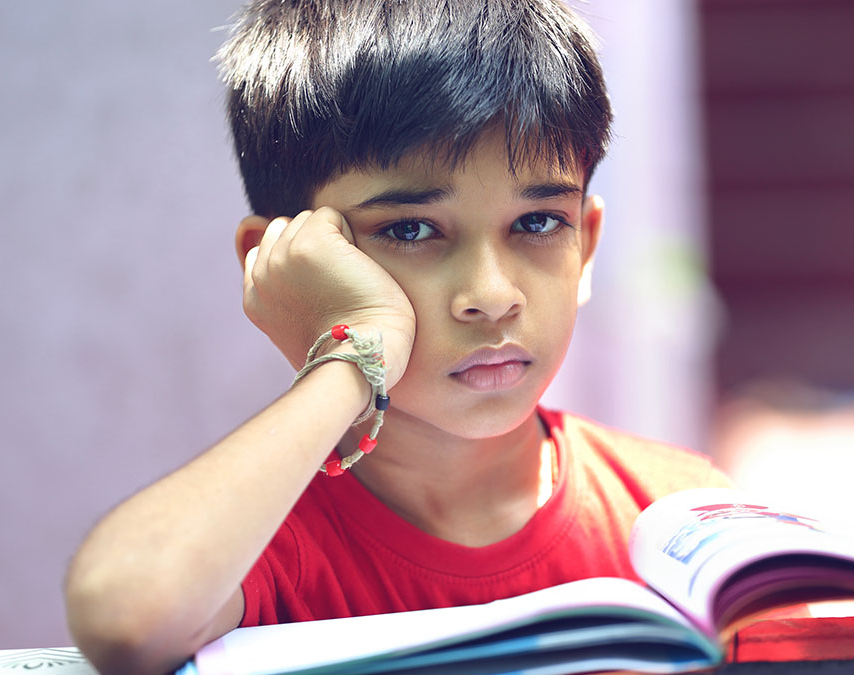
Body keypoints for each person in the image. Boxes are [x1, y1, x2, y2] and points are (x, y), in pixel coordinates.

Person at [63, 1, 731, 673]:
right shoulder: (264, 541)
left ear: (585, 247)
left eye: (536, 223)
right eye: (411, 229)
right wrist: (353, 354)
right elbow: (128, 616)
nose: (493, 295)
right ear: (286, 262)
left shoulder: (675, 520)